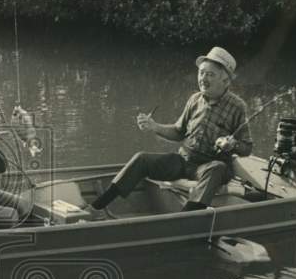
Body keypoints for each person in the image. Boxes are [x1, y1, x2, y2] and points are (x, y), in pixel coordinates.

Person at [90, 46, 253, 213]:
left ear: (225, 80)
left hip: (211, 167)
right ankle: (97, 206)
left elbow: (247, 148)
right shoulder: (194, 99)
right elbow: (178, 131)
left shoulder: (238, 107)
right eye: (201, 73)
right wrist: (154, 126)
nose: (203, 78)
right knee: (141, 159)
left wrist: (232, 145)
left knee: (217, 167)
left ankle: (185, 218)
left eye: (210, 74)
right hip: (184, 161)